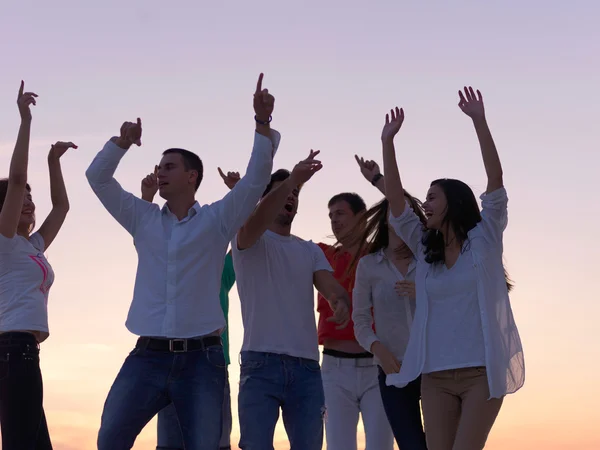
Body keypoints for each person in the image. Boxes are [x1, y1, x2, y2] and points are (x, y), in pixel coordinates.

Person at [86, 74, 280, 450]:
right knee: (110, 439)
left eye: (169, 166)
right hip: (147, 356)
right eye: (159, 166)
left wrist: (262, 124)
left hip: (201, 361)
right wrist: (121, 143)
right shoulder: (142, 218)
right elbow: (98, 178)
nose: (160, 171)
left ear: (192, 176)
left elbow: (256, 180)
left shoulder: (216, 220)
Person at [381, 87, 525, 450]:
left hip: (481, 374)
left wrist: (479, 120)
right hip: (435, 376)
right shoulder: (424, 247)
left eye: (431, 197)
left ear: (453, 202)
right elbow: (396, 201)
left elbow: (495, 182)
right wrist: (388, 143)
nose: (424, 204)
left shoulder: (485, 238)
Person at [223, 152, 351, 450]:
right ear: (265, 199)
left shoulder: (309, 250)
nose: (291, 196)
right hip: (259, 364)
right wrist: (292, 178)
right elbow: (253, 222)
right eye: (284, 191)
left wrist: (339, 302)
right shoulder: (247, 239)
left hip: (307, 369)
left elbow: (332, 288)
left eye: (296, 193)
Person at [0, 82, 77, 450]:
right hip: (11, 348)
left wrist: (53, 163)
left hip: (24, 350)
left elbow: (61, 208)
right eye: (22, 198)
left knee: (31, 441)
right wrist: (26, 120)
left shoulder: (31, 246)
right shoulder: (3, 240)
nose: (28, 201)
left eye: (31, 197)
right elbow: (14, 180)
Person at [139, 170, 237, 450]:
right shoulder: (170, 270)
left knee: (216, 443)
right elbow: (148, 241)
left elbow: (243, 231)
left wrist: (238, 193)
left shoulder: (222, 271)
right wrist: (147, 198)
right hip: (169, 360)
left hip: (213, 363)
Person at [316, 156, 393, 450]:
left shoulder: (382, 255)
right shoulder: (320, 254)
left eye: (340, 213)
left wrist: (378, 180)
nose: (334, 220)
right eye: (330, 215)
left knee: (380, 445)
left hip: (379, 366)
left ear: (361, 217)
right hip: (334, 371)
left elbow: (406, 214)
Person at [352, 195, 428, 449]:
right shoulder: (368, 265)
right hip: (392, 369)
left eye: (405, 210)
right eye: (393, 210)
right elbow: (360, 320)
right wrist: (378, 349)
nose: (398, 215)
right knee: (411, 445)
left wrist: (425, 292)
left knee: (441, 443)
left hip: (434, 365)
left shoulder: (430, 259)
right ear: (384, 220)